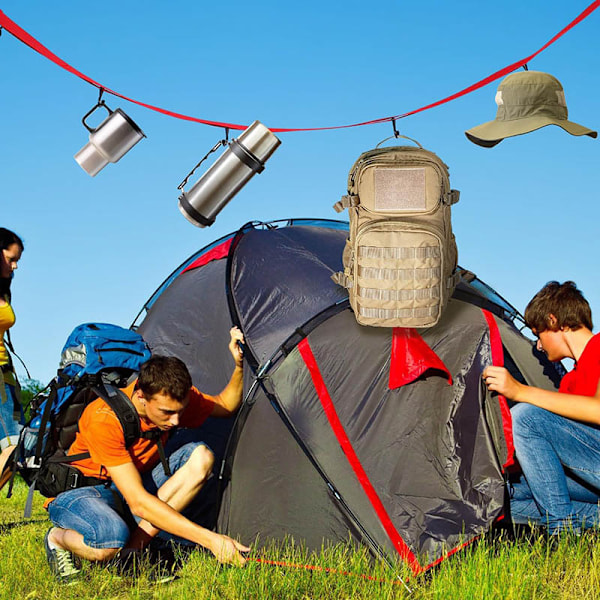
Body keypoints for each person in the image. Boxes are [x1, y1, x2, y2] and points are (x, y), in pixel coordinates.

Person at [44, 327, 250, 582]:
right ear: (141, 396)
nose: (176, 421)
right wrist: (211, 540)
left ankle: (132, 553)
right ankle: (57, 538)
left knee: (201, 457)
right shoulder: (103, 419)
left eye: (180, 411)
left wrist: (239, 365)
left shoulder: (174, 400)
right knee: (108, 542)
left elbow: (227, 405)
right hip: (83, 493)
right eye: (166, 413)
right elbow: (139, 502)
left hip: (130, 487)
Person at [483, 281, 600, 535]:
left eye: (538, 334)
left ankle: (561, 531)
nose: (538, 345)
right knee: (504, 496)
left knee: (525, 417)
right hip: (590, 472)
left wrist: (520, 391)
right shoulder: (570, 381)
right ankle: (580, 521)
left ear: (553, 320)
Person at [0, 227, 25, 490]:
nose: (15, 266)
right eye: (11, 258)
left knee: (19, 450)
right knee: (15, 445)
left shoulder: (4, 291)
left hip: (5, 372)